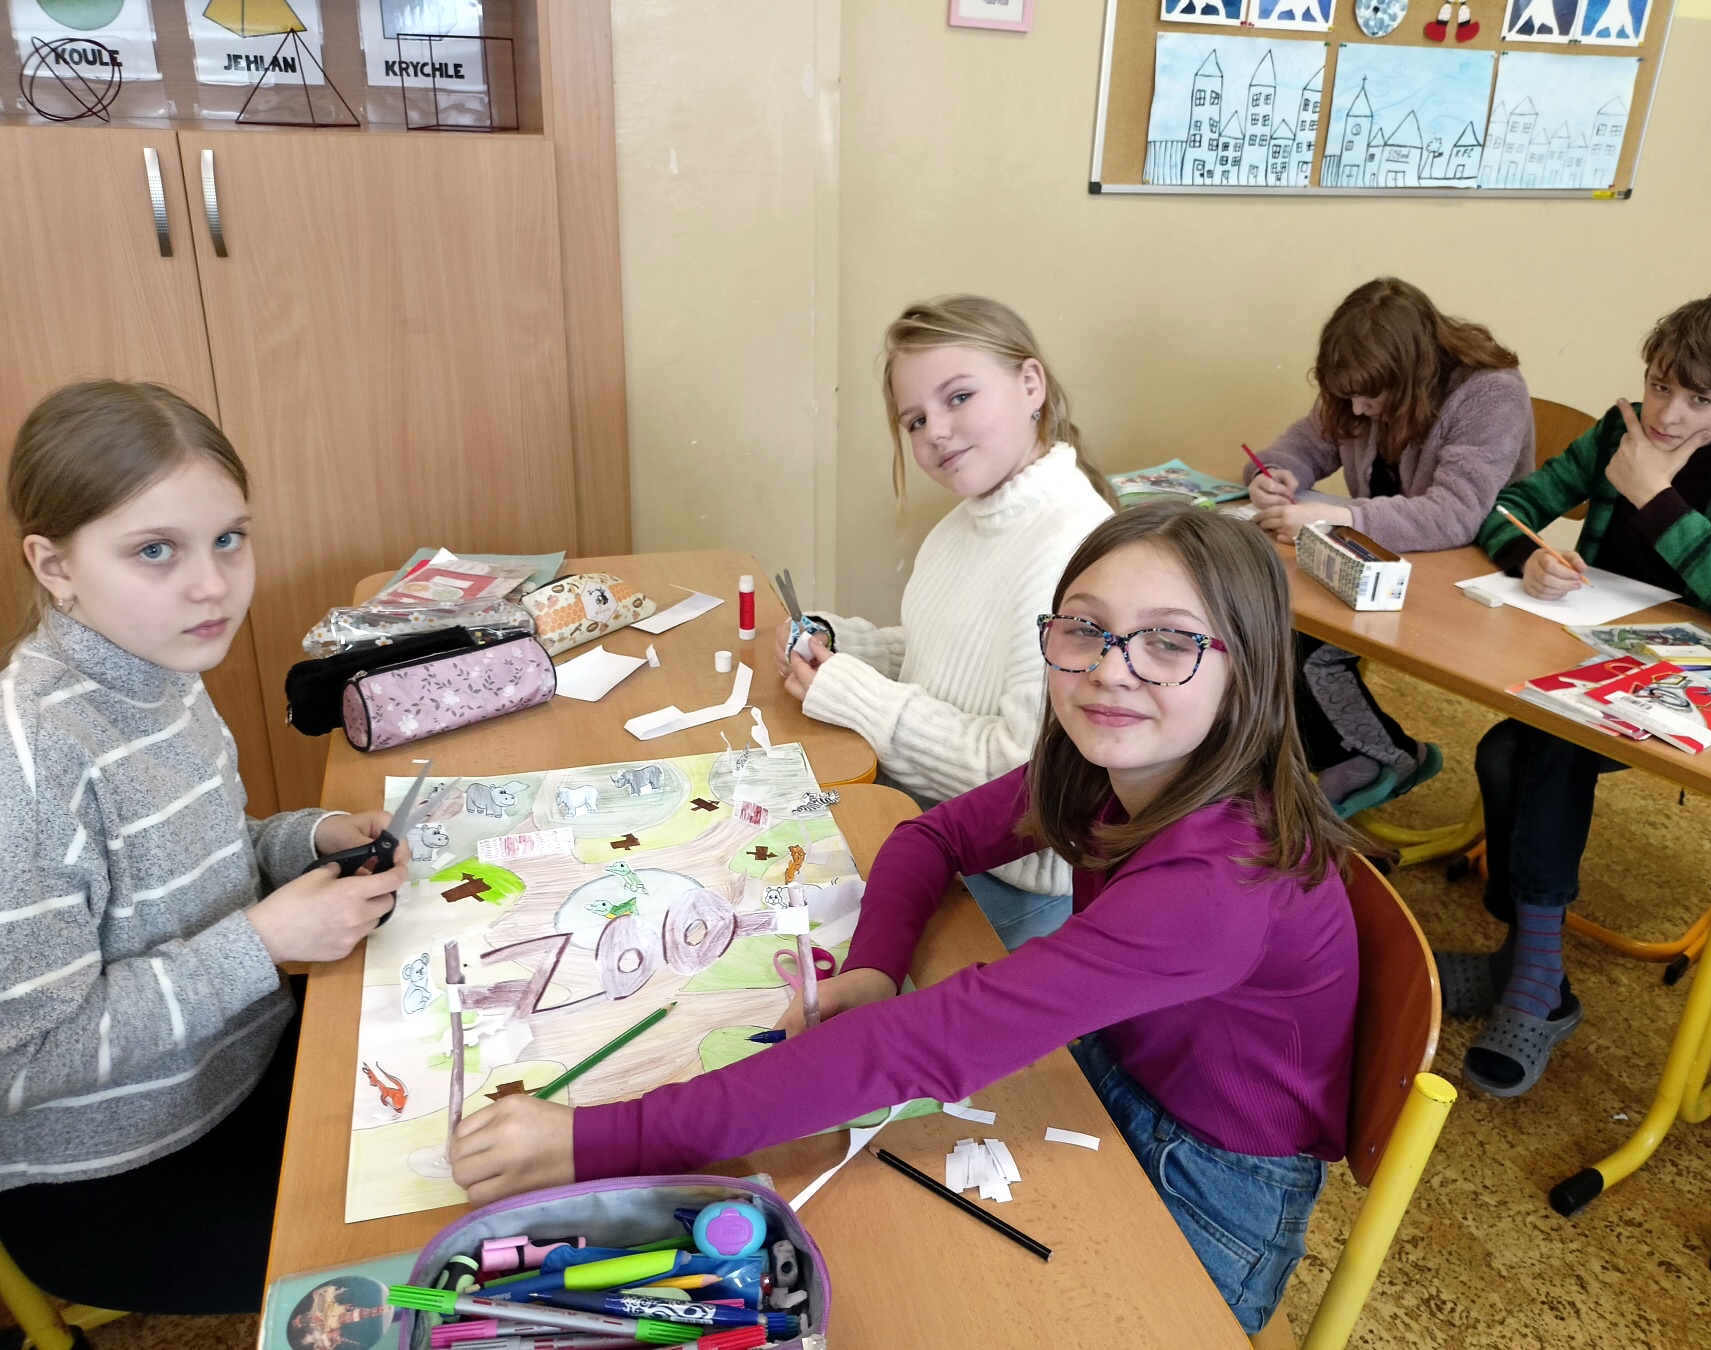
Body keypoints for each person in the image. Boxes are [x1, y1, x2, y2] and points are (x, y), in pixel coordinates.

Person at [450, 502, 1364, 1336]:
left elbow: (927, 1044)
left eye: (1169, 643)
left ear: (1247, 669)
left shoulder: (1220, 880)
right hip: (1117, 1068)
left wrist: (599, 1138)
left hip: (1211, 1180)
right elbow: (931, 836)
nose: (1109, 669)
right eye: (1085, 629)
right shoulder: (1109, 764)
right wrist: (876, 967)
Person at [0, 382, 406, 1314]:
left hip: (243, 1070)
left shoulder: (159, 665)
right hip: (117, 1179)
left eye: (228, 538)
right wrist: (261, 943)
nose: (212, 584)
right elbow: (23, 1061)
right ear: (54, 566)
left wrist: (309, 839)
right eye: (155, 550)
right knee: (431, 1250)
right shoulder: (29, 763)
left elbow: (202, 857)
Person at [1439, 291, 1711, 1098]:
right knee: (1503, 753)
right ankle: (1528, 965)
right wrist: (1527, 556)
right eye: (1660, 385)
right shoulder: (1620, 428)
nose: (1667, 415)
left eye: (1700, 400)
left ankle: (1532, 978)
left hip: (1700, 684)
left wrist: (1654, 496)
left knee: (1548, 748)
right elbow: (1505, 506)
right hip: (1593, 652)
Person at [776, 295, 1115, 948]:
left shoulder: (1071, 547)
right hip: (929, 824)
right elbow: (942, 658)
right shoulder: (963, 524)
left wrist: (855, 694)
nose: (935, 430)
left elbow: (1026, 778)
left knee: (785, 936)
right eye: (915, 419)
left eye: (959, 397)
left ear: (1031, 384)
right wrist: (844, 646)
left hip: (1010, 880)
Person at [1244, 277, 1534, 815]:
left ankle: (1380, 757)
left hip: (1464, 572)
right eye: (1346, 395)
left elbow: (1456, 514)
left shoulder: (1491, 393)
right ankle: (1347, 754)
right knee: (1266, 619)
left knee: (1306, 649)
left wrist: (1339, 516)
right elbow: (1307, 442)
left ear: (1413, 376)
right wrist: (1274, 473)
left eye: (1370, 397)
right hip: (1381, 558)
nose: (1357, 408)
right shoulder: (1367, 382)